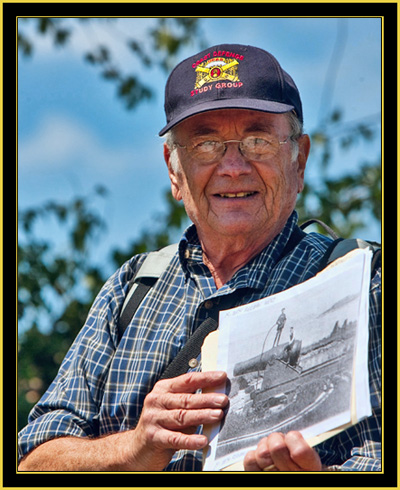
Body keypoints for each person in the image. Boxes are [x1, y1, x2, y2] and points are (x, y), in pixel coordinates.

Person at [18, 43, 381, 472]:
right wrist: (134, 449)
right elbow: (31, 461)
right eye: (206, 144)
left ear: (298, 160)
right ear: (173, 169)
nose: (232, 166)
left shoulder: (363, 284)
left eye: (257, 140)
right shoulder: (130, 289)